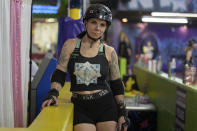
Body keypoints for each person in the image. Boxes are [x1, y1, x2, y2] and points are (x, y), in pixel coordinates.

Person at [42, 4, 129, 131]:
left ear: (105, 28)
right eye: (94, 22)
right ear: (85, 23)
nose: (97, 28)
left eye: (102, 25)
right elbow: (60, 72)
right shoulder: (70, 46)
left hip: (105, 104)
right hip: (80, 106)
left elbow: (116, 84)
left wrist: (122, 112)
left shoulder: (109, 51)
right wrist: (53, 93)